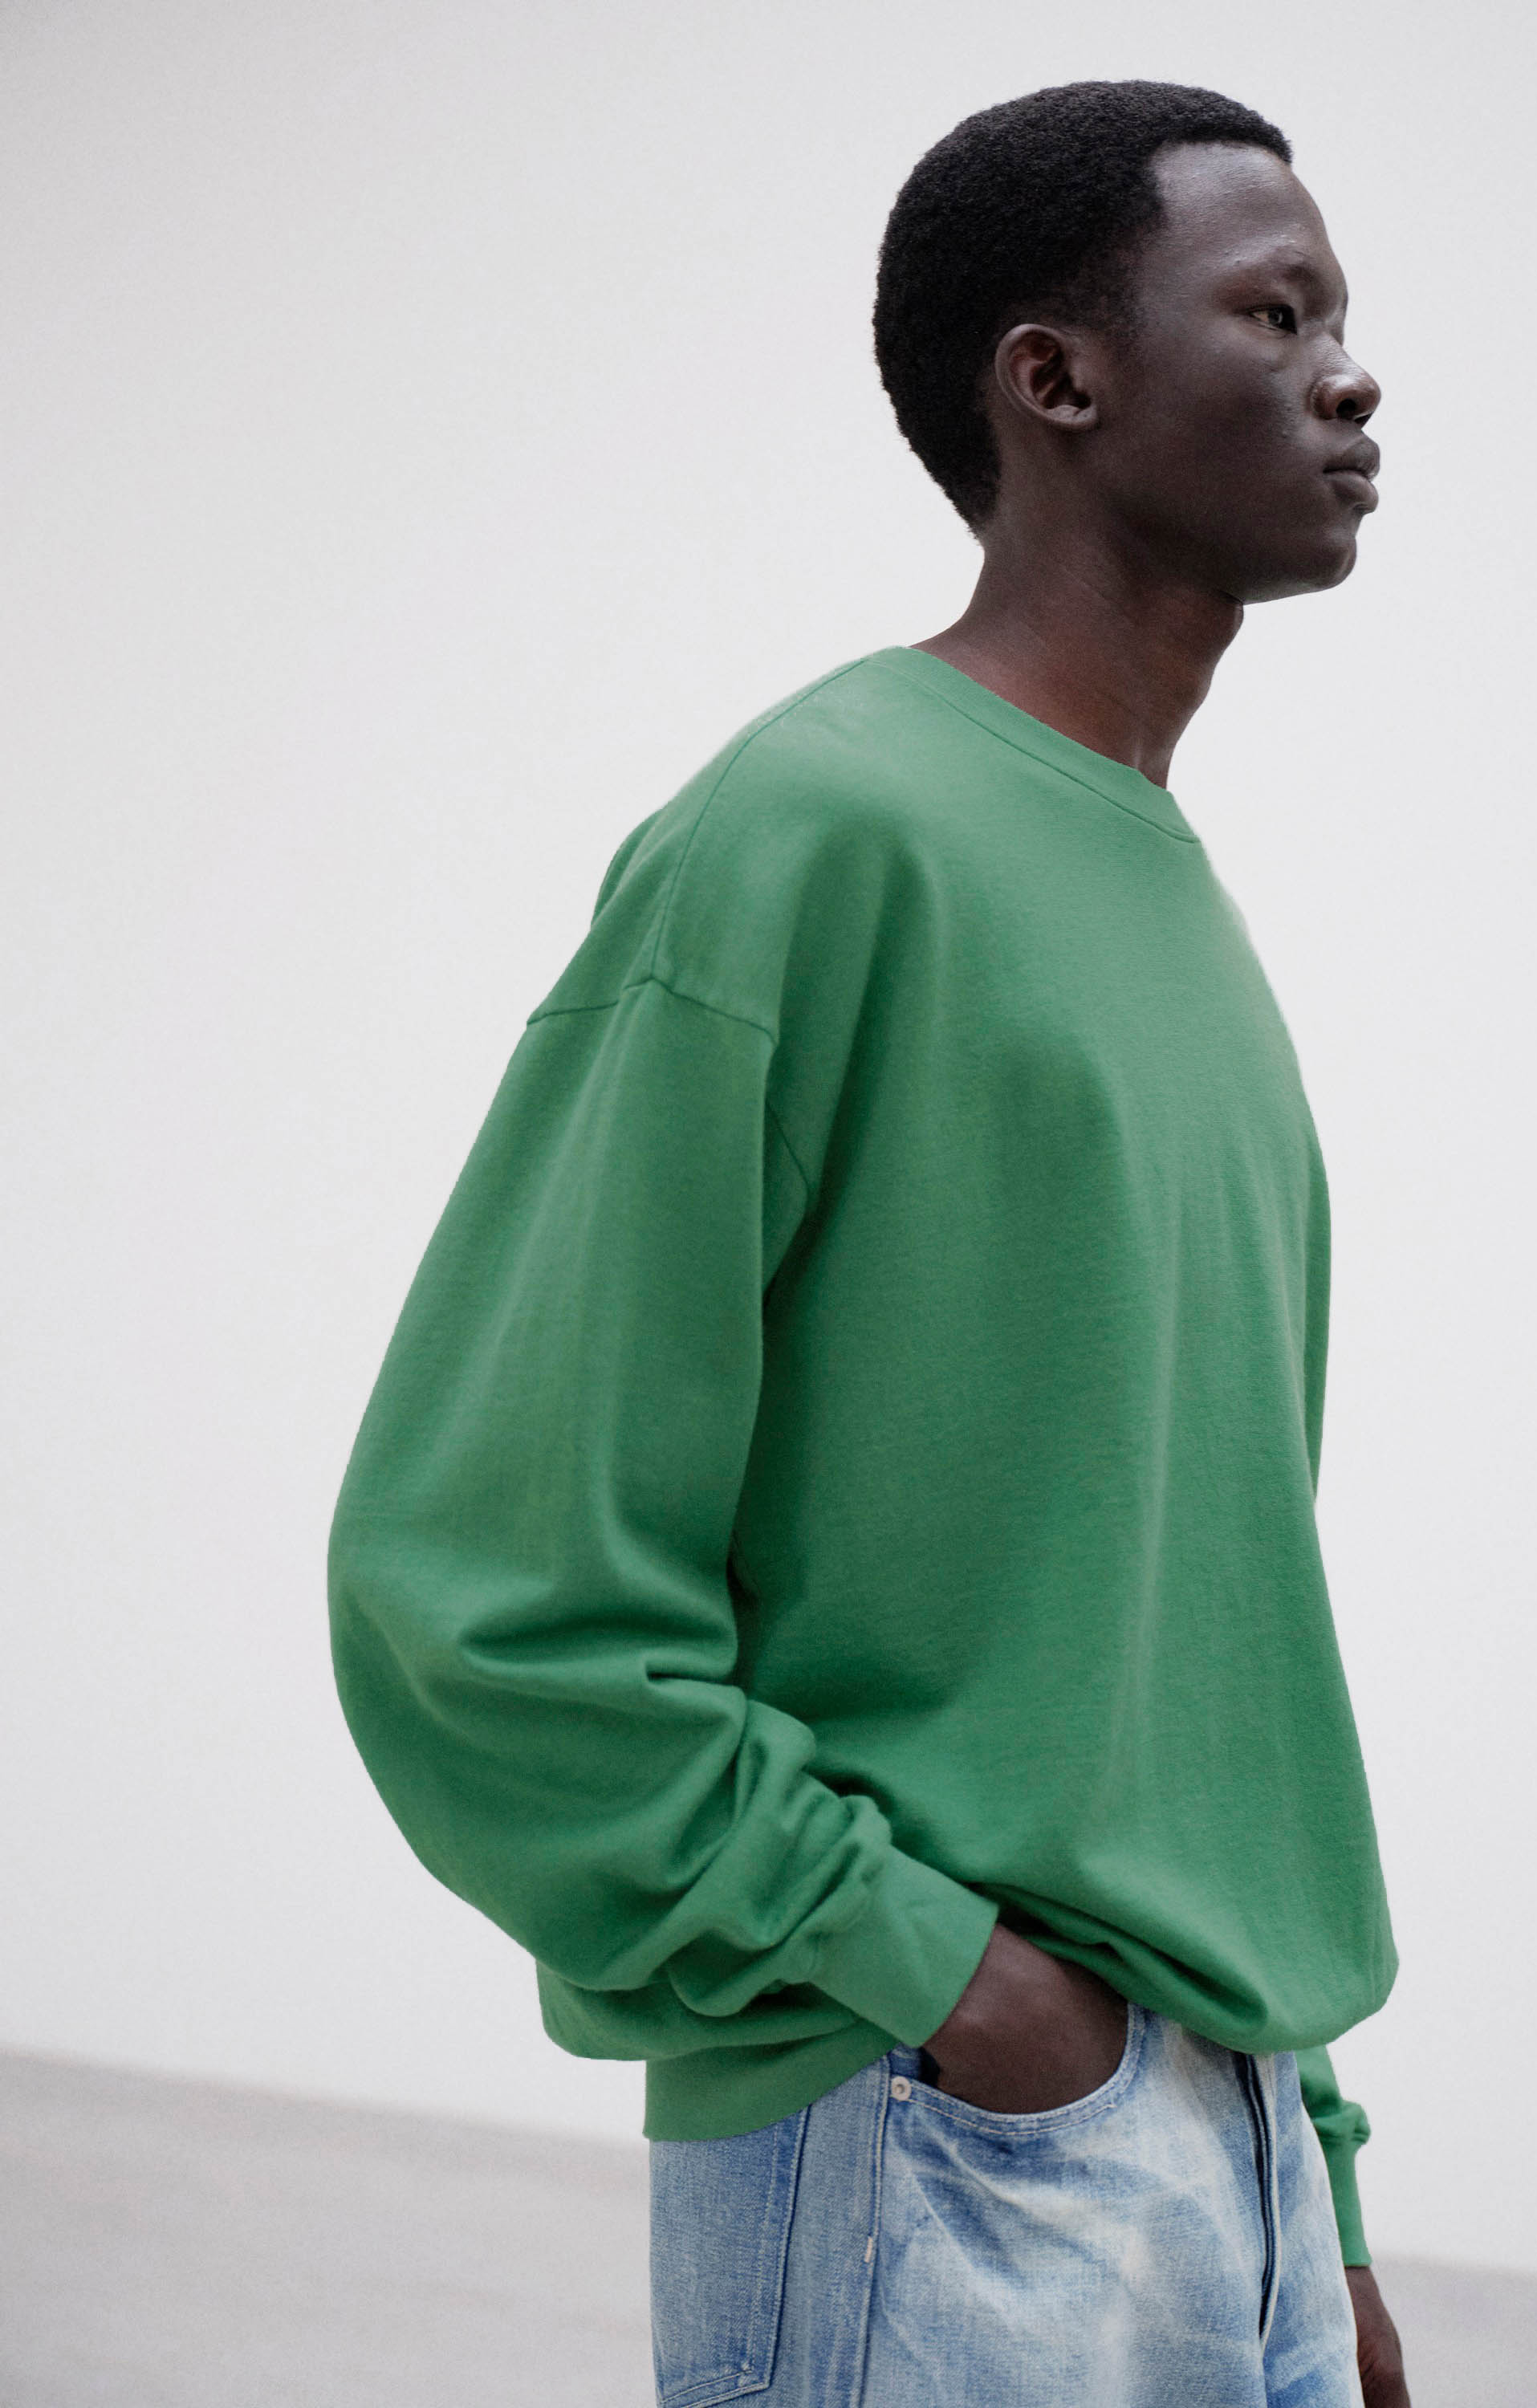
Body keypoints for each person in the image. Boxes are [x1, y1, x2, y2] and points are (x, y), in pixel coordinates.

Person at [329, 76, 1410, 2408]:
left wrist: (1305, 2172)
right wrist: (944, 1985)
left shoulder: (1173, 901)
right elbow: (477, 1587)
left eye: (1343, 321)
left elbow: (1173, 1639)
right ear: (1054, 378)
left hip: (1223, 2154)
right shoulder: (815, 832)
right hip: (942, 2135)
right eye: (1277, 311)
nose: (1351, 376)